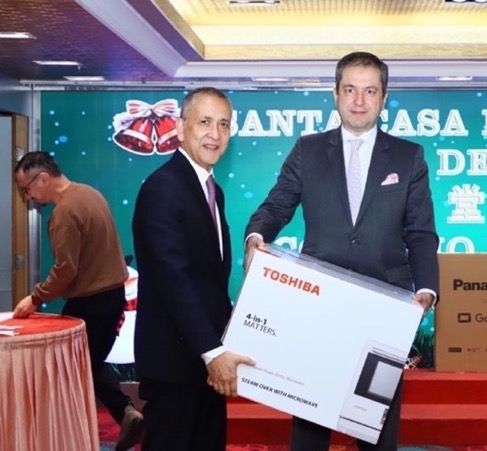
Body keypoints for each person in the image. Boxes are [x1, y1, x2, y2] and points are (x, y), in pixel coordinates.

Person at [244, 51, 440, 451]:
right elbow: (276, 207)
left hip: (384, 308)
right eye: (350, 90)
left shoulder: (408, 156)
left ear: (384, 98)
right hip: (320, 306)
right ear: (335, 94)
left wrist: (427, 288)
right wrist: (256, 236)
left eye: (370, 91)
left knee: (376, 429)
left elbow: (421, 232)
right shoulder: (308, 150)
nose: (359, 100)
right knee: (310, 425)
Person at [132, 87, 255, 451]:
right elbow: (174, 281)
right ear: (180, 127)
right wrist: (212, 352)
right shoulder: (163, 188)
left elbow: (209, 281)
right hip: (175, 364)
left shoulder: (212, 190)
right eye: (204, 122)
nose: (214, 134)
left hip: (203, 362)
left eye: (223, 124)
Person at [13, 151, 144, 451]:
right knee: (87, 364)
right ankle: (123, 413)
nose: (28, 196)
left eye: (26, 188)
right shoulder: (90, 194)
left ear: (42, 178)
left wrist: (35, 298)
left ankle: (75, 432)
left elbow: (65, 270)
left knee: (73, 368)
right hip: (113, 297)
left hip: (90, 303)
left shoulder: (64, 213)